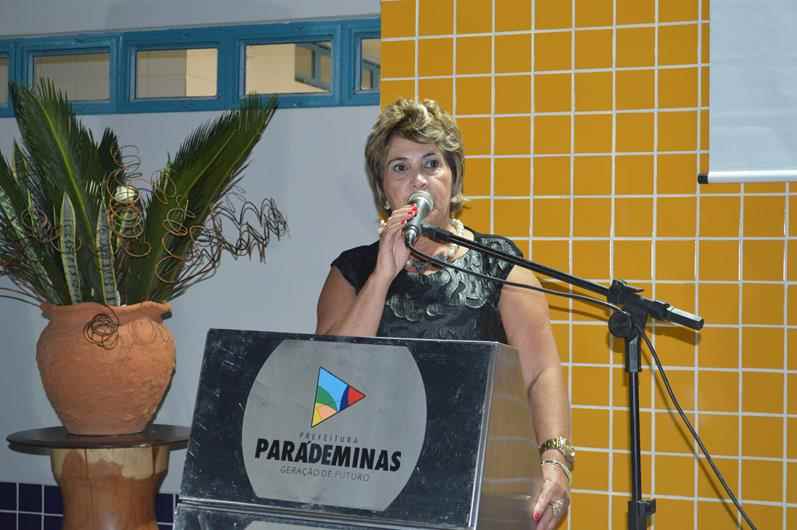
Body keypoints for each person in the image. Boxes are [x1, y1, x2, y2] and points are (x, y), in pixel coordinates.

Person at [316, 99, 572, 529]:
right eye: (400, 167)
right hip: (369, 482)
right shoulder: (353, 272)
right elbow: (330, 374)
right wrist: (382, 276)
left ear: (453, 179)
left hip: (477, 484)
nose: (418, 179)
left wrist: (555, 460)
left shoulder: (499, 265)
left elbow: (541, 371)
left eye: (432, 163)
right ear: (383, 188)